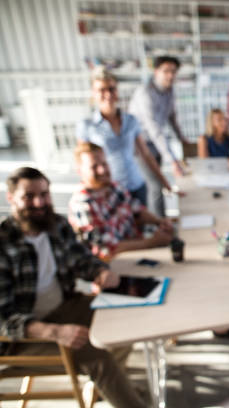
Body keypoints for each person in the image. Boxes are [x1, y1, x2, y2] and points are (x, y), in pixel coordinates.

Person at [0, 167, 147, 408]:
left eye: (44, 194)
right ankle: (124, 395)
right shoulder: (3, 244)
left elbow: (82, 259)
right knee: (98, 355)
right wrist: (54, 332)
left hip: (65, 306)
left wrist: (100, 272)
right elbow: (2, 318)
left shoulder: (56, 225)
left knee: (124, 318)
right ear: (11, 198)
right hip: (22, 337)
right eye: (28, 196)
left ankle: (112, 386)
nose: (39, 202)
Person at [77, 66, 173, 207]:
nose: (108, 94)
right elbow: (83, 163)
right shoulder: (87, 126)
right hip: (109, 190)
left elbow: (146, 154)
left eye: (111, 89)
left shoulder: (131, 120)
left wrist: (164, 182)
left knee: (142, 226)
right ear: (93, 93)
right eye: (101, 90)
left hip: (136, 185)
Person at [68, 142, 174, 261]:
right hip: (116, 264)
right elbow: (106, 249)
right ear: (80, 171)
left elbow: (137, 210)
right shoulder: (82, 204)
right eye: (94, 166)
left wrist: (159, 222)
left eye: (104, 163)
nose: (102, 170)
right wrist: (152, 242)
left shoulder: (113, 186)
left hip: (138, 251)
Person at [129, 55, 188, 217]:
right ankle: (160, 226)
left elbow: (172, 117)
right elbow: (154, 129)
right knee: (155, 185)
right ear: (156, 72)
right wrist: (173, 160)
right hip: (141, 144)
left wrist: (182, 139)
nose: (170, 75)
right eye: (166, 71)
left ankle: (161, 221)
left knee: (159, 184)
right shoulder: (145, 93)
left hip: (156, 142)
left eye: (173, 71)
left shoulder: (169, 91)